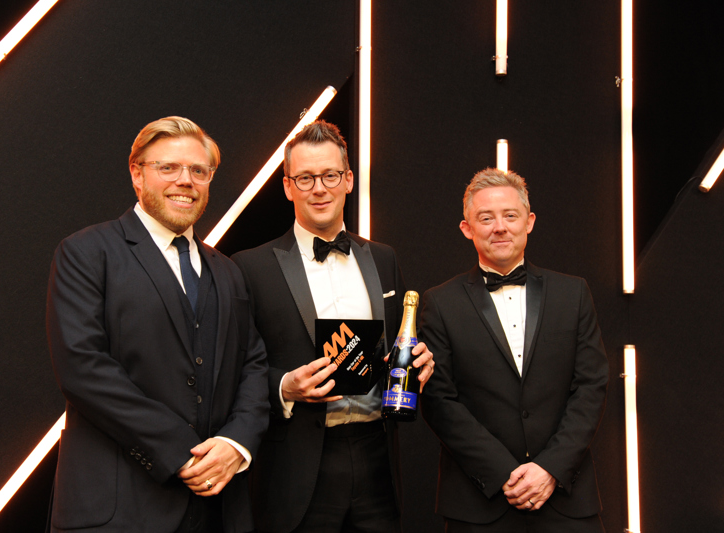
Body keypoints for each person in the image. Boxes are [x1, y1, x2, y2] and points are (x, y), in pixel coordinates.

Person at [46, 116, 269, 533]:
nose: (185, 180)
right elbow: (82, 367)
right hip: (118, 511)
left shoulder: (228, 270)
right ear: (136, 174)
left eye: (198, 171)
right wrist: (182, 451)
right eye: (168, 167)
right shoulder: (85, 252)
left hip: (219, 510)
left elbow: (253, 364)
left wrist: (235, 443)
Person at [230, 120, 434, 533]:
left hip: (378, 455)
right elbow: (233, 368)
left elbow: (399, 346)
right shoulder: (250, 267)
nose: (318, 188)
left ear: (348, 181)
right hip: (296, 464)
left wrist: (418, 363)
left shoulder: (384, 258)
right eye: (305, 178)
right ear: (288, 186)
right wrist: (284, 386)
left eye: (329, 175)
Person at [419, 168, 609, 532]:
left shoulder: (574, 293)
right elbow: (439, 400)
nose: (499, 227)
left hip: (567, 498)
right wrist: (505, 474)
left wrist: (550, 468)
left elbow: (591, 387)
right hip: (480, 503)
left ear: (529, 221)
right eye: (486, 218)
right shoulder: (440, 303)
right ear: (467, 228)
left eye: (510, 215)